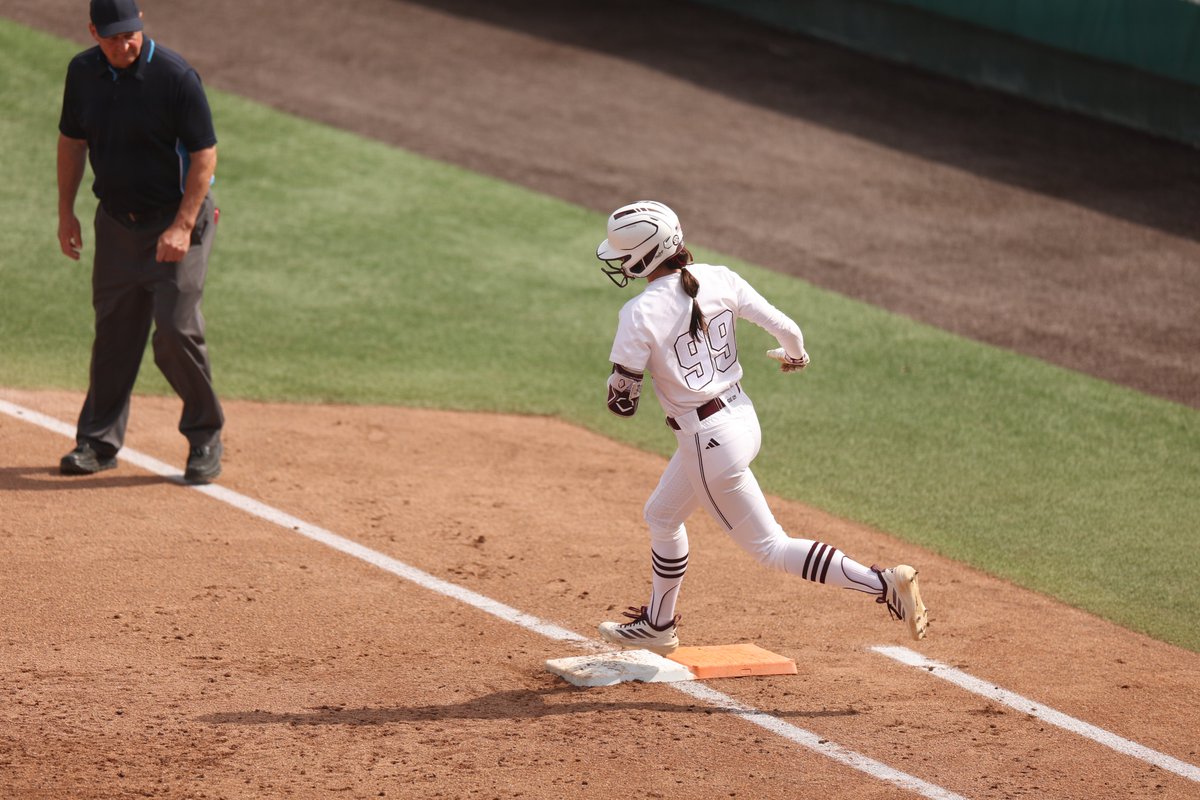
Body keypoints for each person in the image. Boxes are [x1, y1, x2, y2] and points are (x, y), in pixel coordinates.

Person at [594, 201, 929, 654]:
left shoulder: (638, 313)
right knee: (661, 515)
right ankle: (659, 625)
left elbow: (621, 404)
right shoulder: (721, 277)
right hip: (742, 421)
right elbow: (787, 330)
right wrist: (796, 356)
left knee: (772, 547)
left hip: (705, 440)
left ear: (642, 257)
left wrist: (638, 367)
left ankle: (883, 582)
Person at [56, 0, 224, 484]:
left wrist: (182, 224)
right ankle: (98, 441)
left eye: (129, 33)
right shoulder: (83, 73)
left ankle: (205, 435)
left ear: (141, 22)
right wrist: (66, 212)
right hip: (116, 223)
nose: (122, 44)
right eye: (111, 36)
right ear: (93, 31)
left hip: (176, 221)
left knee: (174, 330)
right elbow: (71, 141)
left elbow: (204, 156)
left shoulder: (174, 77)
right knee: (114, 332)